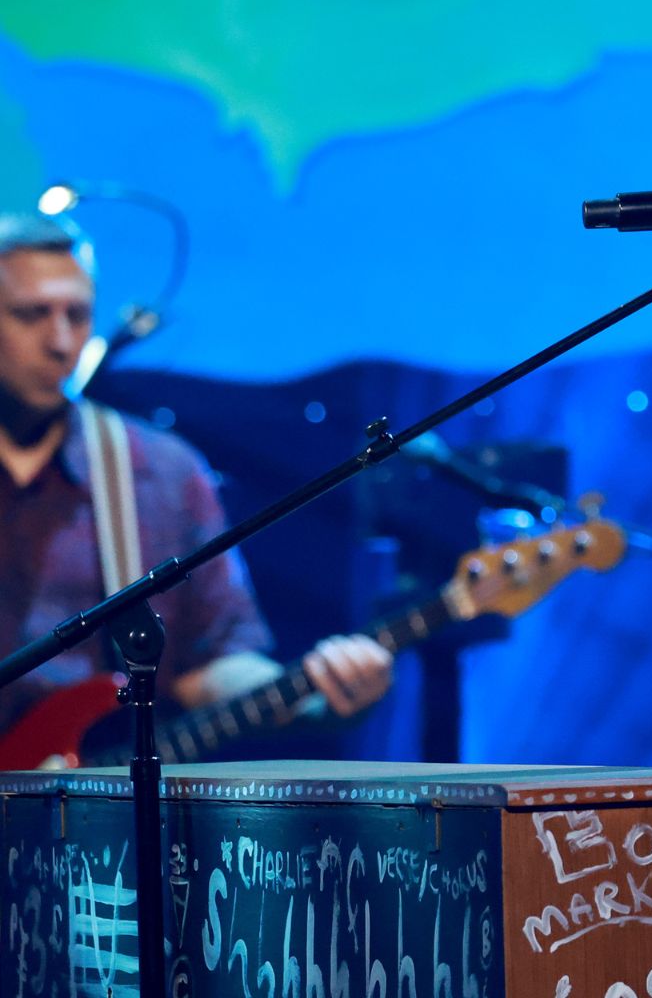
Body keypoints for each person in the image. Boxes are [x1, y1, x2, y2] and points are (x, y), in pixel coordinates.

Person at [0, 212, 392, 763]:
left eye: (78, 314)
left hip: (93, 828)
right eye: (31, 315)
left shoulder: (161, 471)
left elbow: (213, 664)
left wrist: (315, 687)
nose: (62, 342)